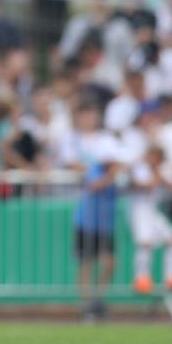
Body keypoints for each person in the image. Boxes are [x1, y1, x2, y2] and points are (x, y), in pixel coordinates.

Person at [60, 101, 121, 321]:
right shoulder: (72, 139)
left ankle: (98, 300)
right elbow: (73, 164)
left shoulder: (106, 140)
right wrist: (100, 173)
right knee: (86, 261)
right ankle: (85, 305)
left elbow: (116, 165)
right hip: (86, 213)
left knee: (108, 261)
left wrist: (102, 176)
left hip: (105, 212)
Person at [129, 145, 172, 294]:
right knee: (145, 242)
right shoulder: (140, 168)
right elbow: (144, 186)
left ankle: (171, 276)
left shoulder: (164, 169)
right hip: (139, 210)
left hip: (153, 211)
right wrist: (157, 177)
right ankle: (141, 279)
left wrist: (165, 178)